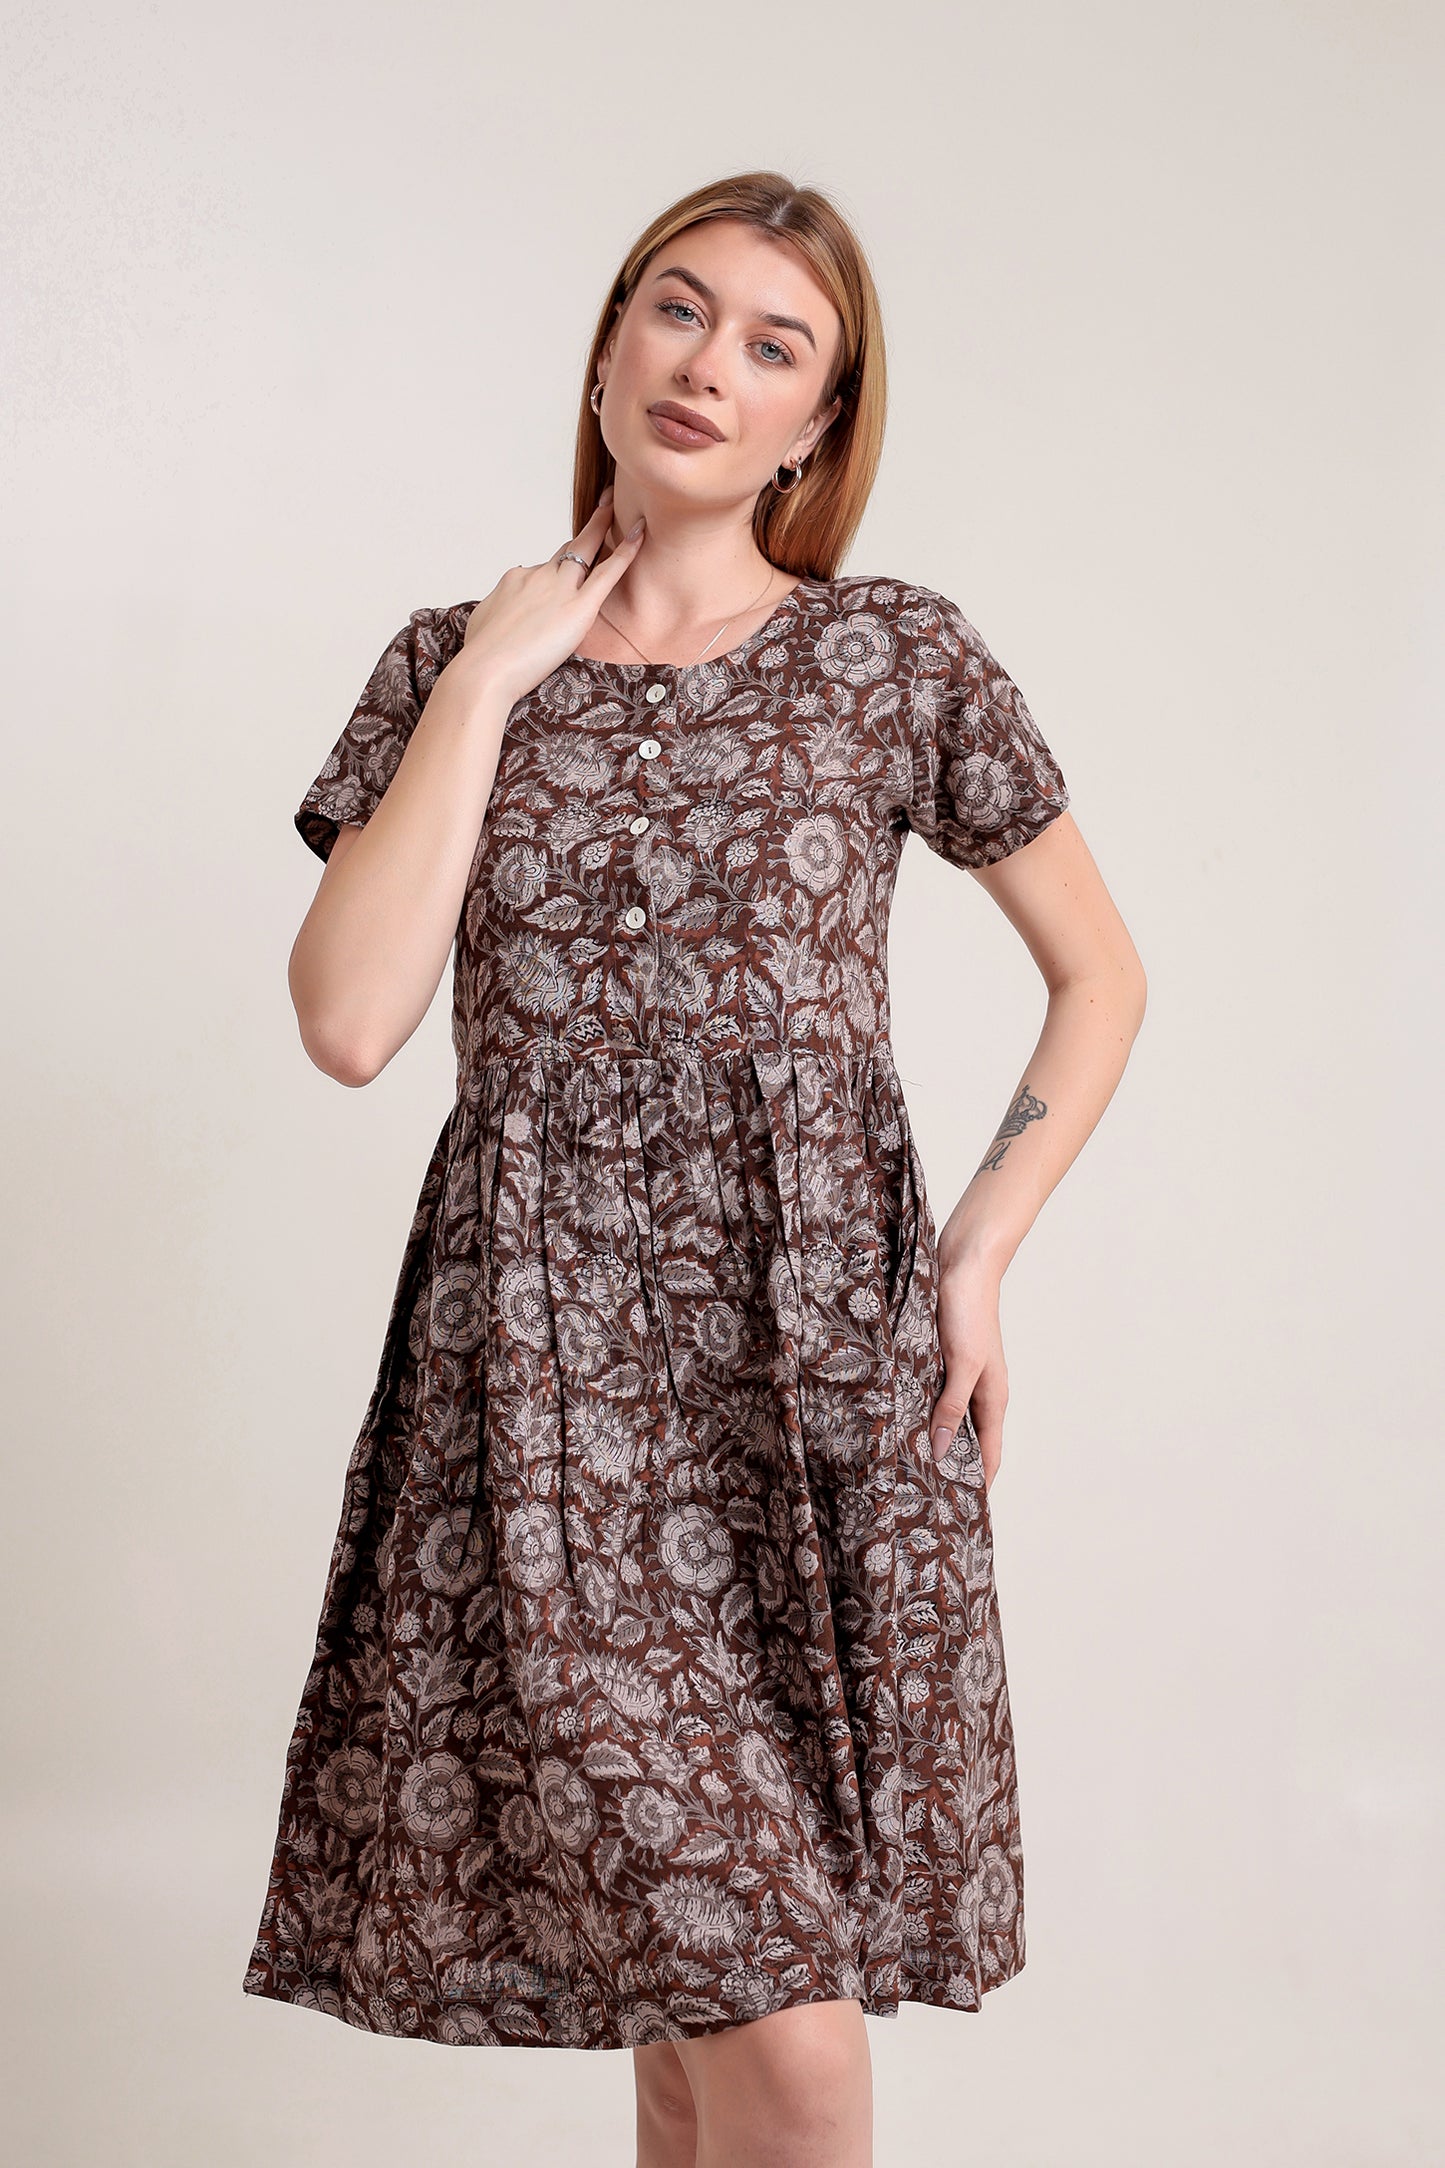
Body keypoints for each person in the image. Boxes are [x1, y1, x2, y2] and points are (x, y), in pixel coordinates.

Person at [242, 170, 1147, 2168]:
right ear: (606, 347)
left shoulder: (892, 657)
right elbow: (350, 1020)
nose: (709, 366)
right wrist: (491, 673)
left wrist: (979, 1255)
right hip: (546, 1402)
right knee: (750, 2001)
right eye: (678, 310)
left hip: (821, 1377)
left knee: (722, 2016)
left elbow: (1103, 977)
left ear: (818, 425)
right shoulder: (444, 661)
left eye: (773, 345)